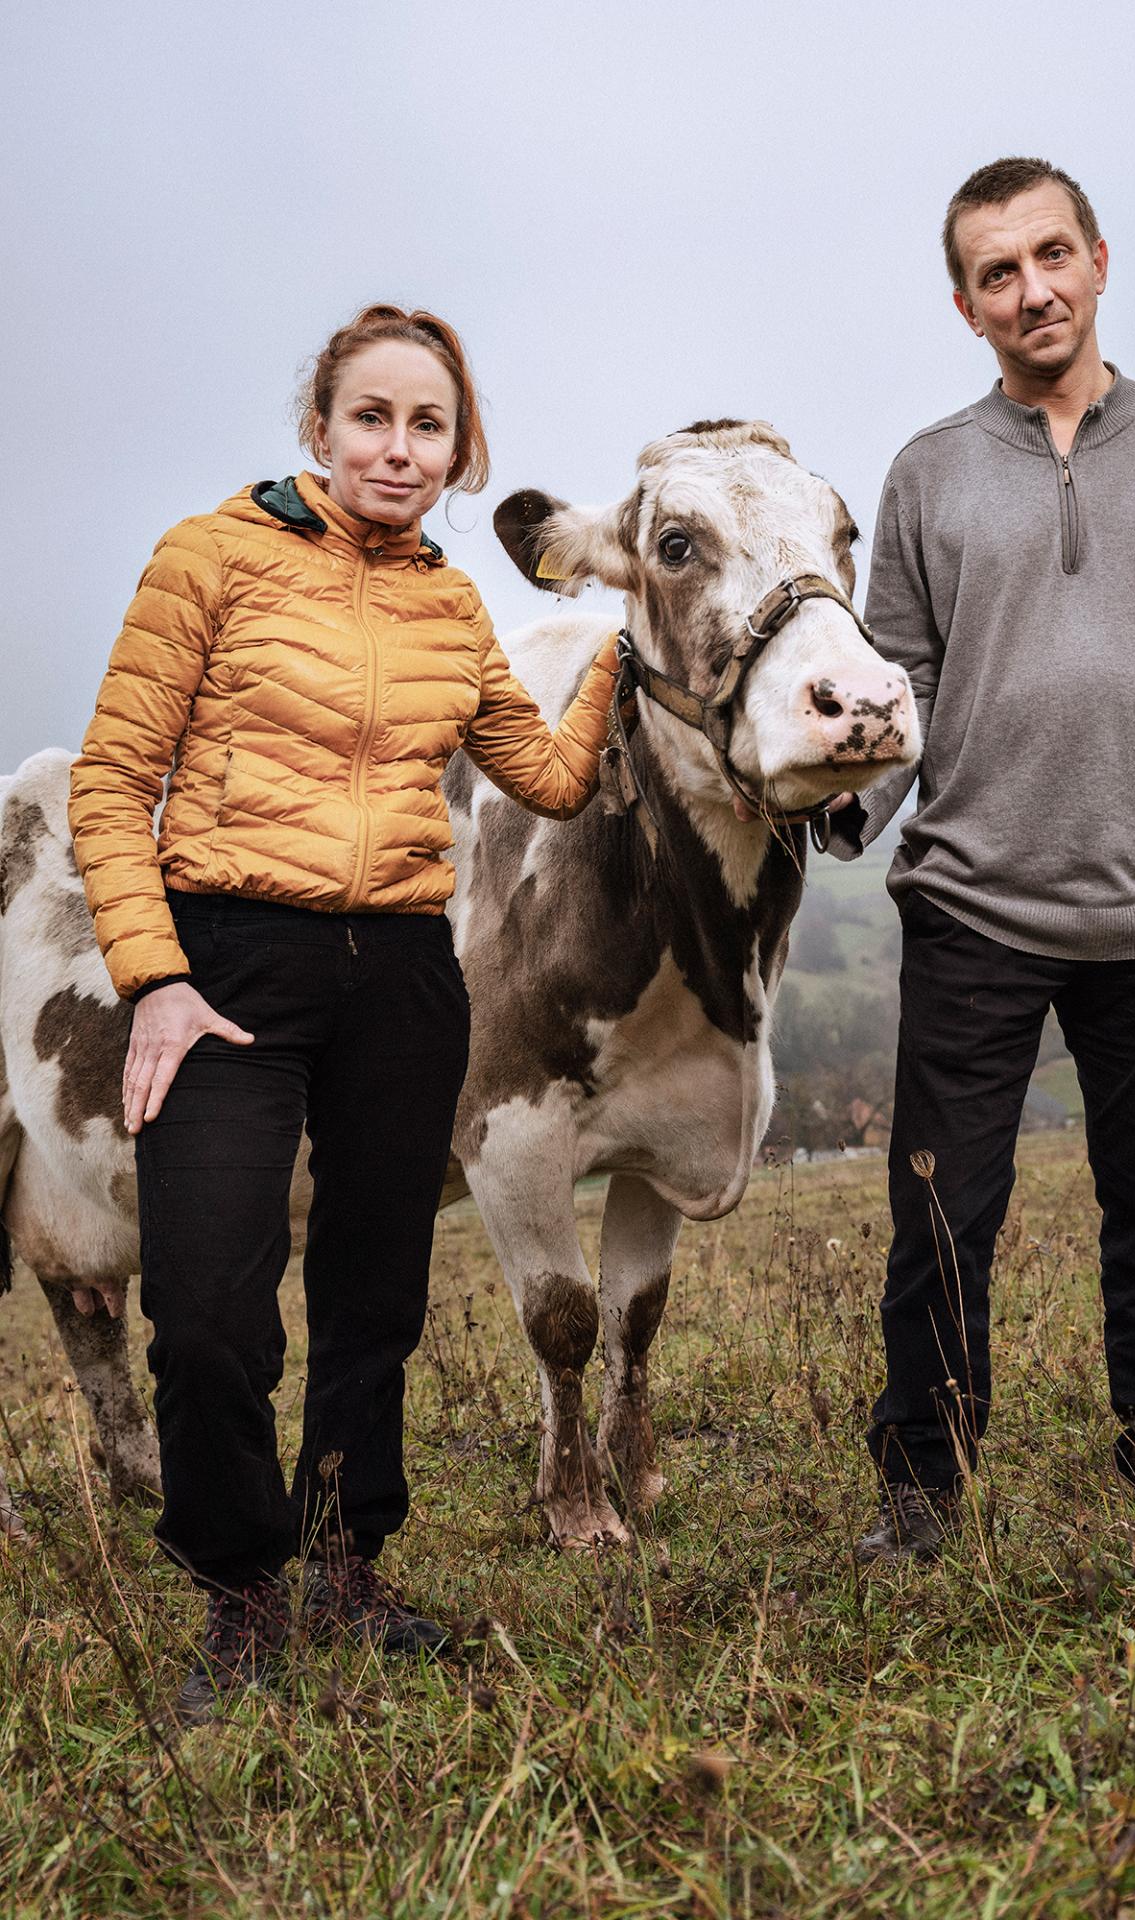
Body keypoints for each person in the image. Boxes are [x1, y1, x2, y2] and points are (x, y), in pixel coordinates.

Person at [69, 304, 619, 1717]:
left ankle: (344, 1568)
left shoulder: (449, 603)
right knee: (205, 1310)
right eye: (371, 416)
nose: (399, 446)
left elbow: (546, 775)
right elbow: (110, 786)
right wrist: (159, 977)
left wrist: (624, 646)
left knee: (371, 1301)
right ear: (318, 427)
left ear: (458, 447)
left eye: (427, 424)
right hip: (227, 971)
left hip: (402, 981)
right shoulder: (208, 556)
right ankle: (240, 1593)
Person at [827, 158, 1135, 1561]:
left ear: (1097, 258)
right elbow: (890, 684)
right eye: (996, 273)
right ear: (965, 307)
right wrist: (844, 807)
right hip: (976, 897)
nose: (1031, 290)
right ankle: (926, 1474)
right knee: (941, 1212)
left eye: (1049, 256)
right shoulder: (928, 471)